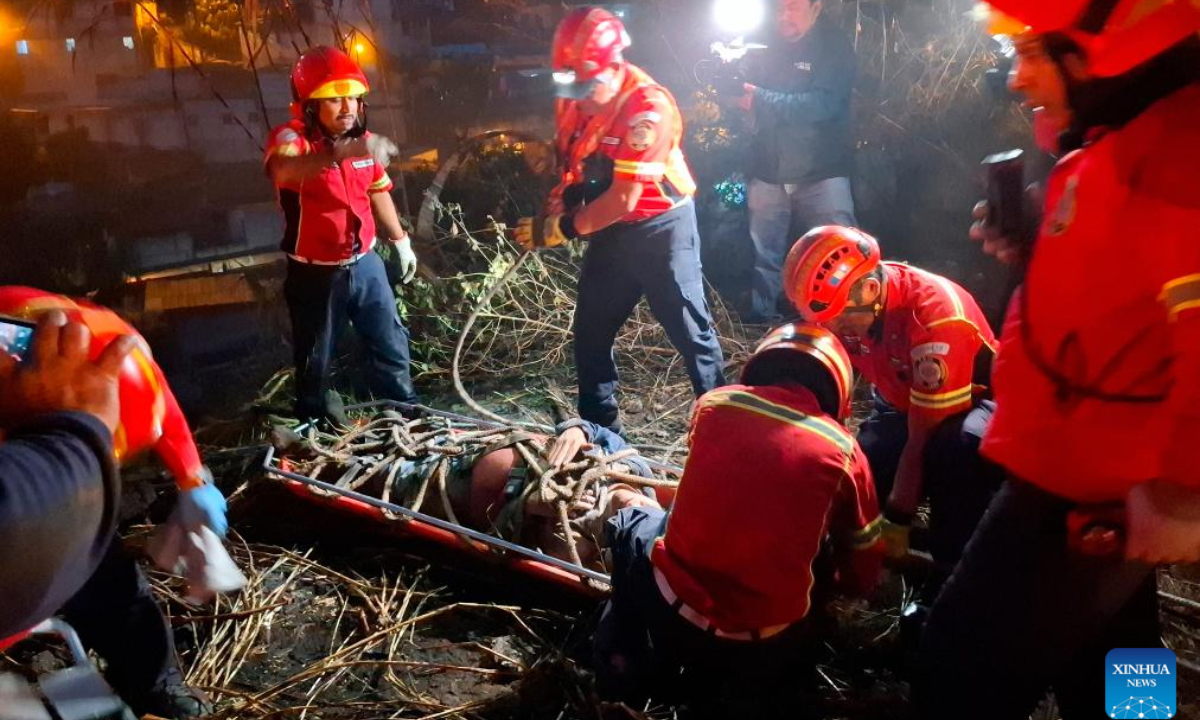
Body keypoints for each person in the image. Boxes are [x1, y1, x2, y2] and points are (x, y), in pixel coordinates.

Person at [914, 2, 1200, 717]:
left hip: (1085, 486)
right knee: (1118, 667)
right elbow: (1132, 294)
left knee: (955, 672)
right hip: (1091, 474)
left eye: (1034, 52)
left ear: (1105, 45)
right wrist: (1037, 250)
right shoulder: (1130, 140)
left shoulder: (1177, 155)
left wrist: (1184, 491)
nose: (1017, 79)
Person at [591, 323, 884, 713]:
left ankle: (620, 659)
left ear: (761, 365)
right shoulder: (844, 450)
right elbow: (862, 567)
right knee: (823, 558)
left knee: (628, 524)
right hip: (762, 650)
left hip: (670, 617)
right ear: (839, 392)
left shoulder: (714, 404)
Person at [0, 287, 230, 719]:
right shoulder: (13, 372)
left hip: (54, 481)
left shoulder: (111, 345)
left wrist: (191, 478)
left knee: (114, 587)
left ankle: (155, 687)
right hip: (17, 501)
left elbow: (162, 410)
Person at [515, 7, 726, 433]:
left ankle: (721, 420)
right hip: (610, 227)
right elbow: (581, 159)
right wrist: (558, 179)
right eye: (572, 85)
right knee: (591, 326)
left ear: (615, 66)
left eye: (587, 85)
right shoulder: (574, 94)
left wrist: (562, 229)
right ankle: (600, 428)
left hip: (661, 227)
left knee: (690, 330)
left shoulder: (648, 108)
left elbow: (624, 197)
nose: (580, 96)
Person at [782, 226, 1003, 582]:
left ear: (870, 290)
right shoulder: (856, 307)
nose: (835, 329)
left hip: (973, 406)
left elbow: (922, 435)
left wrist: (898, 516)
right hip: (900, 402)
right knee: (863, 465)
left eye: (838, 319)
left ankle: (952, 572)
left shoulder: (936, 318)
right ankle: (838, 560)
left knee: (951, 454)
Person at [265, 45, 421, 426]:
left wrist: (400, 242)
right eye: (335, 99)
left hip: (366, 263)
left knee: (391, 344)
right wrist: (344, 152)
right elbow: (284, 171)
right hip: (315, 274)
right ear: (309, 106)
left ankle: (408, 419)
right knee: (315, 359)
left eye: (353, 97)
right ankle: (313, 429)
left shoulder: (362, 140)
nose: (348, 106)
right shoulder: (292, 139)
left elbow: (377, 189)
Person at [720, 0, 857, 322]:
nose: (784, 16)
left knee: (840, 254)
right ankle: (761, 324)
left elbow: (823, 105)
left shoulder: (833, 46)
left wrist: (759, 99)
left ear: (816, 7)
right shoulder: (762, 43)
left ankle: (848, 324)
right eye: (779, 8)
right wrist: (729, 82)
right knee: (765, 255)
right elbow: (739, 95)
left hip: (822, 172)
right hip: (769, 170)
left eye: (793, 7)